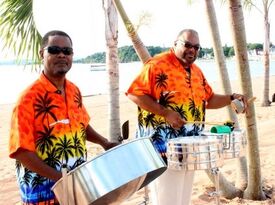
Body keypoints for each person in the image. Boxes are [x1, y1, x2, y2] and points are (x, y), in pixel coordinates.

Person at [126, 29, 248, 205]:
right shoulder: (157, 65)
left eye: (197, 47)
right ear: (175, 44)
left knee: (182, 200)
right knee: (166, 201)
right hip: (162, 148)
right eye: (187, 45)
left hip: (189, 147)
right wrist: (165, 112)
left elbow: (209, 99)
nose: (192, 50)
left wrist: (231, 98)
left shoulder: (196, 72)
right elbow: (134, 93)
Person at [9, 30, 118, 205]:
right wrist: (61, 179)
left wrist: (104, 142)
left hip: (76, 187)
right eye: (54, 50)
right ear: (41, 54)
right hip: (43, 194)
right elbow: (21, 151)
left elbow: (81, 125)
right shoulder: (28, 98)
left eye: (67, 51)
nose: (61, 55)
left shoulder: (74, 90)